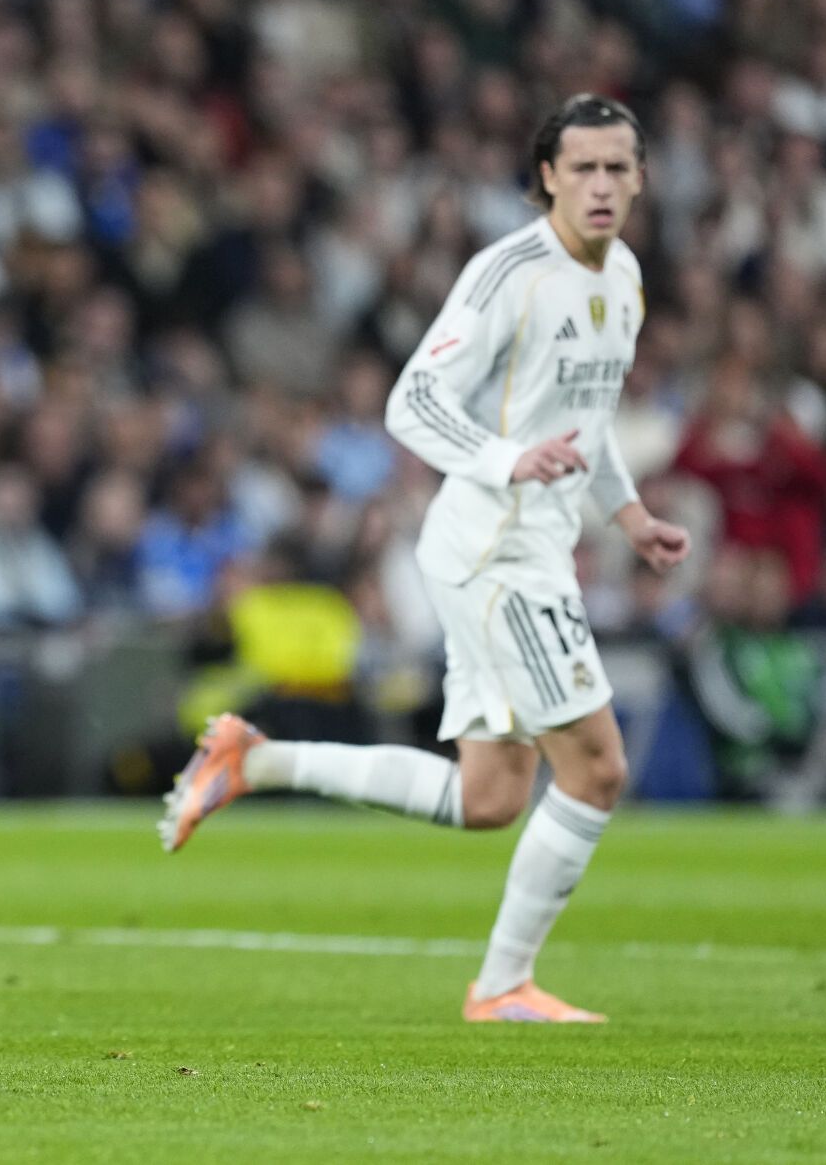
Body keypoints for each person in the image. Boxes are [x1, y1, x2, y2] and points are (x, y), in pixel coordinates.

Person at [160, 95, 692, 1024]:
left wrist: (630, 513)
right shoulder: (508, 273)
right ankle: (501, 985)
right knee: (597, 768)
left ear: (641, 177)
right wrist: (506, 458)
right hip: (496, 547)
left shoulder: (626, 280)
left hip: (534, 545)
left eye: (618, 167)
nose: (602, 185)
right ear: (546, 179)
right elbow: (412, 401)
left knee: (490, 796)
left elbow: (589, 422)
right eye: (584, 168)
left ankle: (255, 762)